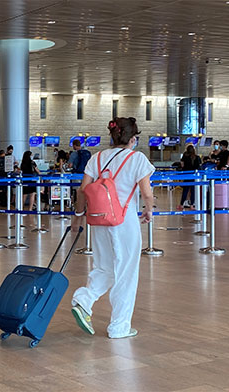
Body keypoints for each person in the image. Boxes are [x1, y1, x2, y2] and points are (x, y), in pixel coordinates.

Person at [70, 117, 155, 339]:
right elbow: (146, 192)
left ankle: (83, 301)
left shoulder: (96, 158)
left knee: (104, 267)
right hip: (124, 222)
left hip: (99, 220)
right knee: (126, 272)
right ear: (133, 139)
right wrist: (148, 210)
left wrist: (78, 216)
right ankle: (119, 326)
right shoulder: (137, 159)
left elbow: (82, 190)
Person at [177, 145, 201, 210]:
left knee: (185, 190)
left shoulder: (184, 157)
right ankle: (192, 205)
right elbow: (199, 167)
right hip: (194, 176)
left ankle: (181, 204)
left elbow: (182, 165)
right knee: (193, 191)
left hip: (186, 175)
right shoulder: (197, 157)